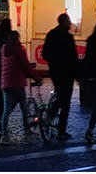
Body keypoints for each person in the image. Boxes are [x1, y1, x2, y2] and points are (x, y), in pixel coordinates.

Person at [0, 30, 42, 143]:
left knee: (6, 110)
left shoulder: (4, 49)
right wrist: (37, 78)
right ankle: (26, 128)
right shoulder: (19, 50)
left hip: (6, 84)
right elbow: (25, 67)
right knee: (23, 107)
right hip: (17, 83)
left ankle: (4, 135)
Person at [41, 13, 77, 141]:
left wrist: (53, 61)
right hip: (67, 72)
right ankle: (61, 129)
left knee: (61, 97)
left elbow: (45, 54)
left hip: (56, 71)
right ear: (64, 22)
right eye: (69, 21)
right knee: (65, 101)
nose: (70, 23)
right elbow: (73, 57)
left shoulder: (51, 34)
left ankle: (51, 116)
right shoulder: (68, 37)